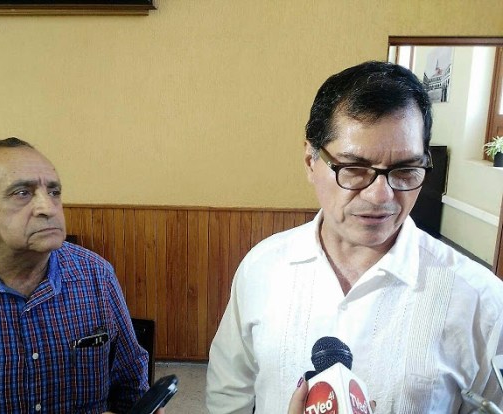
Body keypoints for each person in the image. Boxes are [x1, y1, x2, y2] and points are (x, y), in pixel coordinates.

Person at [206, 61, 503, 413]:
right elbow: (229, 393)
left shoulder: (481, 300)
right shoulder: (263, 268)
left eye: (405, 170)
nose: (380, 196)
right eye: (354, 168)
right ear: (310, 160)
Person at [0, 137, 158, 413]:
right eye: (22, 193)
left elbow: (131, 386)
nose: (48, 207)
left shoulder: (96, 274)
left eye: (54, 192)